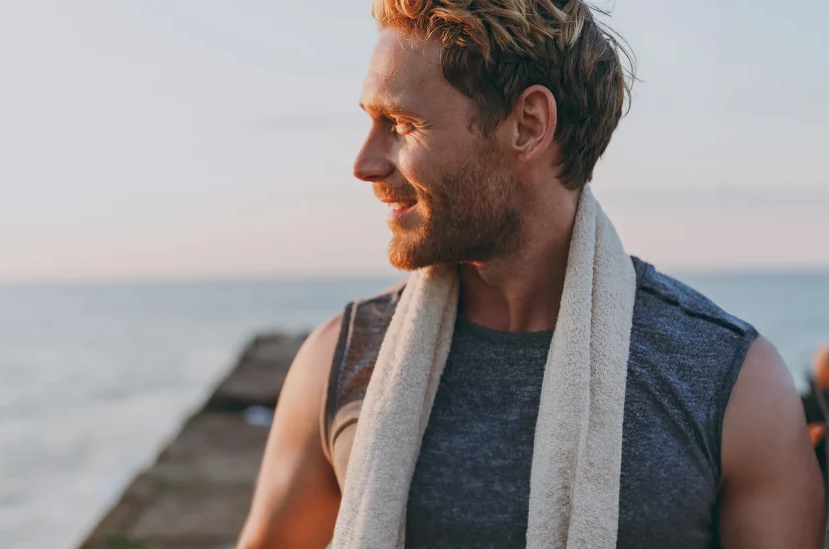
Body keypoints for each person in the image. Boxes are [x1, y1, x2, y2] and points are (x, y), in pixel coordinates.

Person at [236, 1, 826, 547]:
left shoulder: (732, 386)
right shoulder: (336, 365)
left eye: (401, 124)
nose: (364, 163)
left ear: (528, 124)